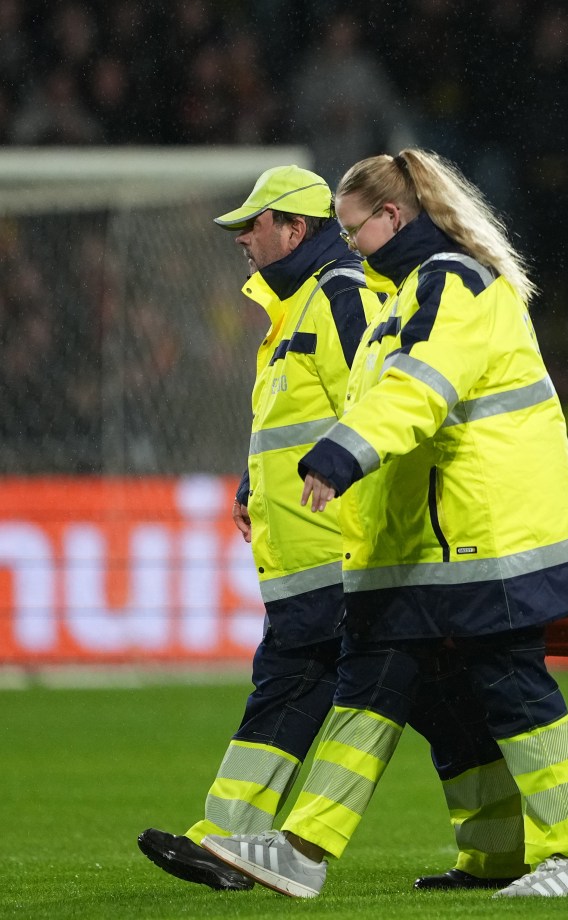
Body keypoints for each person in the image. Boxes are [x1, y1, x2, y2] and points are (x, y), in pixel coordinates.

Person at [199, 150, 568, 899]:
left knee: (511, 688)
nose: (347, 244)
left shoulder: (451, 283)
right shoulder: (410, 290)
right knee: (371, 679)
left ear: (393, 216)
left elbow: (417, 393)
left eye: (354, 229)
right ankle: (303, 851)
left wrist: (339, 455)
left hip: (489, 533)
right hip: (432, 543)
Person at [136, 167, 379, 892]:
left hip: (342, 550)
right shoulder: (296, 307)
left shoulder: (340, 298)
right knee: (301, 680)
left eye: (254, 225)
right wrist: (254, 484)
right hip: (308, 555)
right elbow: (301, 425)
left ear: (295, 229)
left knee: (394, 689)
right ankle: (227, 839)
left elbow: (381, 405)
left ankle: (238, 839)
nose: (242, 239)